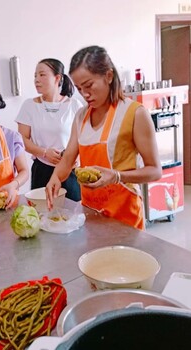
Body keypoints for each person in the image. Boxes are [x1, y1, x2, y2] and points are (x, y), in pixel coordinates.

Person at [46, 46, 162, 230]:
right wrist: (55, 178)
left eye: (89, 85)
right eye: (79, 88)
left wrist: (117, 176)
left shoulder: (134, 114)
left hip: (125, 219)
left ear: (108, 76)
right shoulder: (81, 117)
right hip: (91, 215)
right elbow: (68, 159)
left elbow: (155, 171)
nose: (84, 94)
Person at [15, 58, 84, 201]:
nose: (36, 80)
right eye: (35, 76)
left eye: (42, 75)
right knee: (42, 214)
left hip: (69, 170)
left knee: (72, 216)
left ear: (57, 78)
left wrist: (75, 157)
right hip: (42, 169)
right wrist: (45, 153)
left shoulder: (74, 105)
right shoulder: (29, 106)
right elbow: (21, 140)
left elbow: (84, 138)